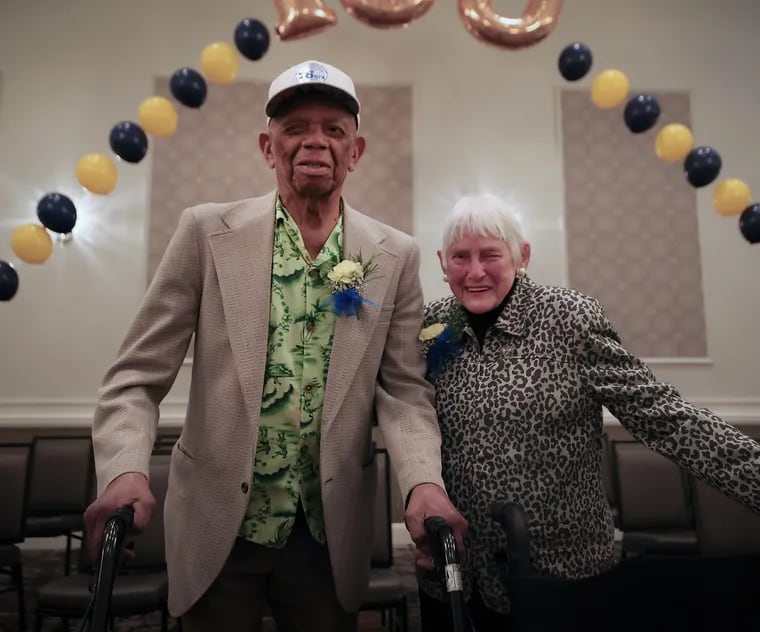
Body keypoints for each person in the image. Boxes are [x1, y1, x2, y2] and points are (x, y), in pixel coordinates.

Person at [84, 59, 466, 632]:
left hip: (327, 534)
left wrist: (424, 484)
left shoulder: (395, 255)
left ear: (355, 150)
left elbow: (406, 393)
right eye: (296, 127)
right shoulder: (206, 232)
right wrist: (122, 472)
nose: (315, 141)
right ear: (269, 145)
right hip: (218, 526)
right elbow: (134, 378)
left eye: (334, 129)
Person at [416, 191, 760, 632]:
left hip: (559, 573)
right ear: (443, 263)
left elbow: (663, 414)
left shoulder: (568, 318)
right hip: (456, 575)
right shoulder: (434, 325)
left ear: (522, 256)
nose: (475, 271)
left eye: (490, 255)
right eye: (461, 257)